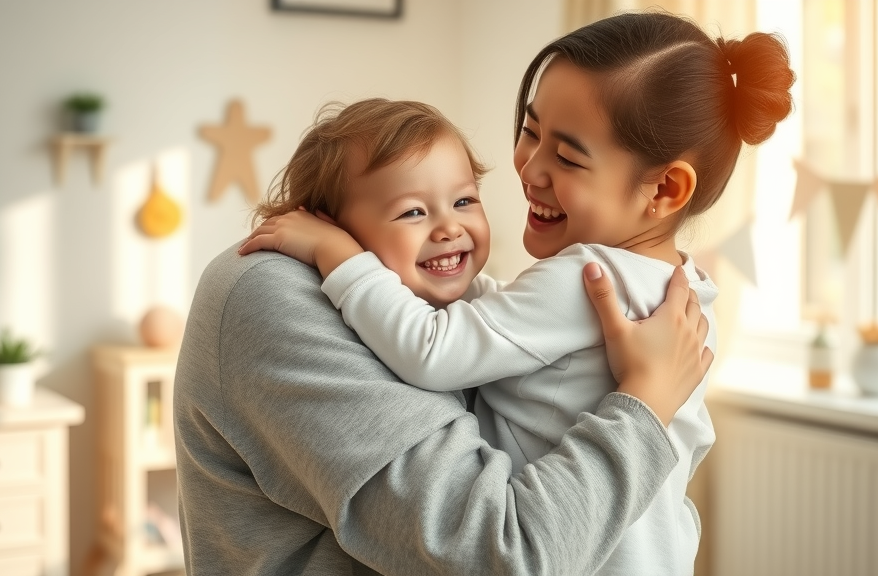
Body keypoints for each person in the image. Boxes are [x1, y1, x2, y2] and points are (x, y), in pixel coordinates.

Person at [240, 10, 795, 576]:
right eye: (530, 132)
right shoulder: (688, 300)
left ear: (665, 188)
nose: (530, 167)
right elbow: (512, 324)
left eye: (569, 157)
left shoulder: (586, 279)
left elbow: (434, 352)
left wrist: (344, 257)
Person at [176, 102, 713, 576]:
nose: (448, 228)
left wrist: (648, 400)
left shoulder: (574, 284)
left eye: (464, 201)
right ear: (333, 224)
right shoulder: (273, 290)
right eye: (413, 212)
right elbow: (500, 553)